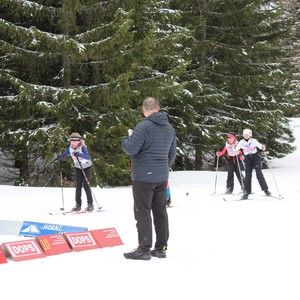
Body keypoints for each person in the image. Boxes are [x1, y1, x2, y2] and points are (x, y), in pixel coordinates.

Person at [121, 97, 176, 260]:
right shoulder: (169, 128)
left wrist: (124, 140)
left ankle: (144, 248)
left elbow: (131, 149)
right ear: (158, 108)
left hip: (143, 177)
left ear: (143, 109)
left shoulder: (143, 127)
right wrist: (163, 167)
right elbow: (172, 154)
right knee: (160, 211)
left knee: (142, 211)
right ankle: (161, 247)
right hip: (161, 176)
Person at [60, 132, 94, 211]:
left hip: (86, 167)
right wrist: (60, 157)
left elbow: (87, 157)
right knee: (78, 186)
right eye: (71, 141)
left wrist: (79, 154)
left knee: (86, 185)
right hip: (78, 167)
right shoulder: (70, 148)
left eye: (75, 141)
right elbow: (65, 154)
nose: (73, 143)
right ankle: (78, 204)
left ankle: (90, 204)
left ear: (79, 141)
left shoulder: (82, 147)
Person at [236, 128, 271, 200]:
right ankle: (246, 192)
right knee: (248, 175)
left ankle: (266, 190)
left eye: (247, 134)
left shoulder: (253, 141)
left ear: (250, 135)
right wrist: (235, 149)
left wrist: (262, 147)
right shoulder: (241, 142)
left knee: (259, 174)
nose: (246, 136)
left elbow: (260, 146)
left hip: (255, 157)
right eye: (245, 134)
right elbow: (236, 149)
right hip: (247, 158)